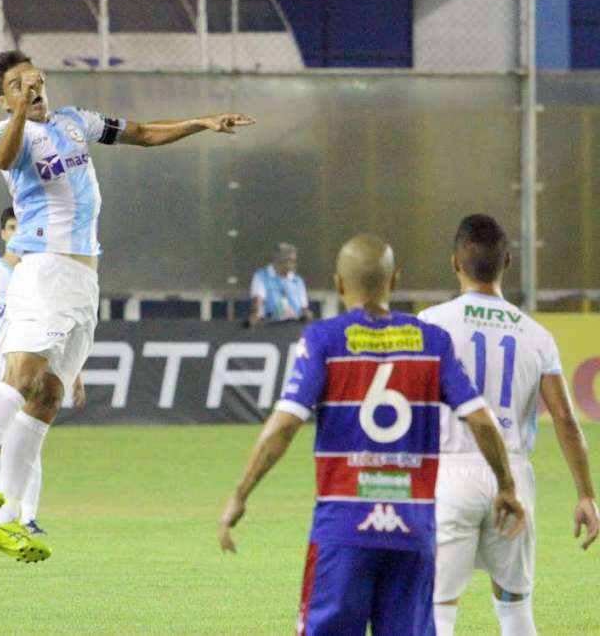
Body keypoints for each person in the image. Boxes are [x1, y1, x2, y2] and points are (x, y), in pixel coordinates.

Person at [0, 49, 254, 563]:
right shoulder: (6, 132)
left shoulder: (75, 122)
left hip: (84, 278)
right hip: (43, 267)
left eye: (37, 79)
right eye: (19, 84)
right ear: (3, 98)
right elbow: (1, 161)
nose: (33, 86)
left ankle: (7, 520)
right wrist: (21, 109)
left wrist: (201, 122)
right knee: (21, 376)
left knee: (46, 397)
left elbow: (143, 134)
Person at [219, 234, 526, 636]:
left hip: (343, 530)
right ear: (395, 281)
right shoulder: (432, 342)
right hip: (412, 531)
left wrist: (240, 494)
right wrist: (506, 486)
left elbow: (284, 424)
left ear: (339, 283)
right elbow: (482, 420)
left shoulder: (323, 340)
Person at [418, 214, 599, 636]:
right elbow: (566, 421)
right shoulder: (535, 335)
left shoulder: (431, 323)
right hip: (512, 477)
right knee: (515, 610)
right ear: (508, 263)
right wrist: (586, 494)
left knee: (439, 611)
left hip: (450, 473)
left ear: (455, 264)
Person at [0, 206, 86, 534]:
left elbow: (62, 332)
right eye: (12, 227)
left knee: (30, 439)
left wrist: (74, 374)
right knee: (2, 444)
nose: (18, 233)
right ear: (3, 233)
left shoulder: (43, 277)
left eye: (23, 226)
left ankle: (26, 516)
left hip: (38, 370)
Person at [248, 242, 312, 326]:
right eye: (289, 260)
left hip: (294, 326)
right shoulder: (261, 276)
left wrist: (307, 314)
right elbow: (257, 301)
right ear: (278, 261)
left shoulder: (298, 280)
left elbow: (304, 307)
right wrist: (255, 315)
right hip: (269, 326)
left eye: (294, 261)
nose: (293, 265)